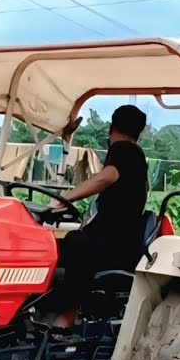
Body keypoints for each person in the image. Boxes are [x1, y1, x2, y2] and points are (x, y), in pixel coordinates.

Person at [45, 104, 149, 328]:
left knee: (74, 244)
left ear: (113, 129)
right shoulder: (136, 155)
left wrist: (64, 198)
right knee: (66, 244)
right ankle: (45, 308)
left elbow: (106, 177)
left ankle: (66, 316)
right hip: (120, 237)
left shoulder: (123, 150)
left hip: (115, 241)